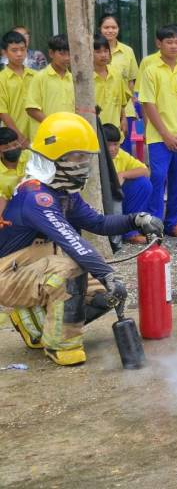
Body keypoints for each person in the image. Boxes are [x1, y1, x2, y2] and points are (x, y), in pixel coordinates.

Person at [0, 112, 163, 365]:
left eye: (85, 158)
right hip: (8, 273)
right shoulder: (35, 196)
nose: (83, 164)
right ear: (56, 157)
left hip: (36, 267)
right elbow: (73, 243)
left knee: (106, 296)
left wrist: (136, 220)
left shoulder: (63, 192)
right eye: (77, 157)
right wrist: (105, 273)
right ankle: (62, 346)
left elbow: (97, 223)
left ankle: (39, 323)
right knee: (71, 271)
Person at [138, 25, 177, 238]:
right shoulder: (150, 71)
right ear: (158, 43)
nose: (174, 46)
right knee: (157, 178)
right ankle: (154, 225)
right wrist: (165, 135)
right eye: (169, 42)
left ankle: (173, 222)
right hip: (159, 138)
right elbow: (148, 105)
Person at [103, 124, 152, 245]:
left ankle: (131, 232)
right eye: (108, 144)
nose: (112, 148)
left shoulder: (121, 155)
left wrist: (123, 174)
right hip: (101, 201)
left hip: (115, 197)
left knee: (144, 184)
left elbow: (145, 171)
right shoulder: (95, 156)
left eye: (116, 144)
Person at [98, 13, 139, 153]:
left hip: (124, 109)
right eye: (106, 27)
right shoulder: (91, 51)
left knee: (123, 151)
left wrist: (128, 108)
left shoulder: (127, 51)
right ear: (99, 29)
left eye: (113, 27)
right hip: (101, 110)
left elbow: (131, 81)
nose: (110, 31)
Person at [25, 34, 74, 139]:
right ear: (51, 53)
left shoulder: (73, 79)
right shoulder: (40, 77)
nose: (67, 58)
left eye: (70, 54)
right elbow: (31, 109)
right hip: (46, 136)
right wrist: (54, 126)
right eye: (62, 54)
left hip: (68, 135)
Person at [0, 30, 35, 144]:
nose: (19, 54)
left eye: (22, 49)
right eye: (14, 50)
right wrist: (18, 136)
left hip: (38, 135)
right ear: (4, 52)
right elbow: (2, 112)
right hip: (13, 139)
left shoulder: (36, 76)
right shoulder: (2, 79)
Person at [92, 34, 127, 131]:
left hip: (114, 129)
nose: (103, 55)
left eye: (106, 51)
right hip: (94, 129)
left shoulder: (116, 74)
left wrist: (124, 119)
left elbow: (121, 102)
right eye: (98, 52)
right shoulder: (85, 79)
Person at [0, 127, 27, 219]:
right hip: (11, 209)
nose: (13, 148)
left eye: (15, 144)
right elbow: (1, 199)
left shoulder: (30, 157)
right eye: (7, 147)